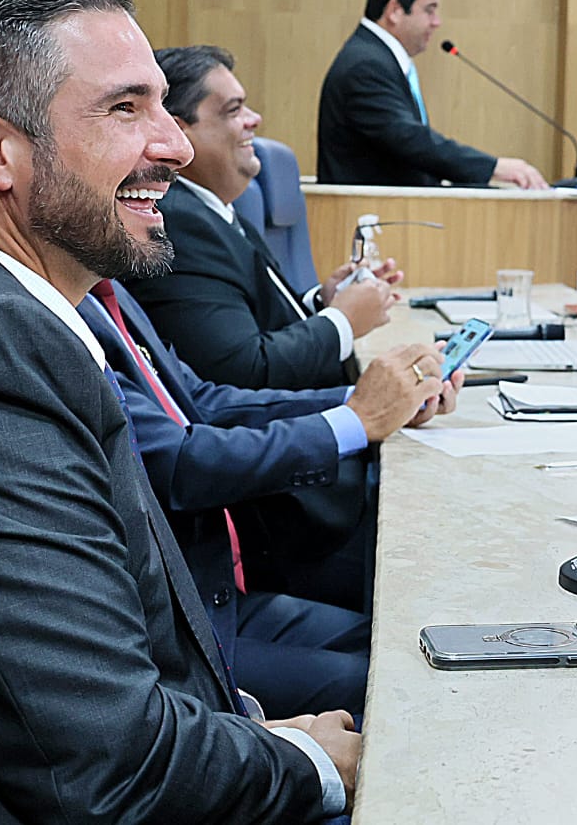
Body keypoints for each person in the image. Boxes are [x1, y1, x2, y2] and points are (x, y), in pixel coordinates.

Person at [0, 0, 367, 822]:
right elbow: (111, 769)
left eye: (164, 107)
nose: (175, 146)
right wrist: (308, 763)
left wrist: (259, 732)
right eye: (125, 108)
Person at [80, 276, 461, 711]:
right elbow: (180, 462)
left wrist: (373, 401)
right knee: (397, 691)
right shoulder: (64, 316)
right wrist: (358, 420)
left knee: (412, 653)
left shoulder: (106, 293)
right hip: (173, 633)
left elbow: (202, 401)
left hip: (218, 594)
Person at [128, 44, 397, 390]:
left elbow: (257, 317)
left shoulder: (214, 208)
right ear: (179, 133)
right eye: (233, 110)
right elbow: (244, 370)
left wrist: (322, 302)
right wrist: (342, 321)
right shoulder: (179, 223)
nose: (254, 119)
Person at [316, 0, 549, 188]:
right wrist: (493, 167)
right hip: (377, 209)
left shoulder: (376, 58)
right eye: (429, 10)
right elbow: (409, 140)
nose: (436, 22)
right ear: (395, 10)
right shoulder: (365, 67)